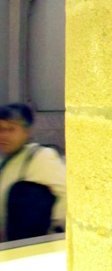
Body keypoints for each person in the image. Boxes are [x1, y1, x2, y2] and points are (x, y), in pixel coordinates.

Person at [0, 103, 66, 242]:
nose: (4, 136)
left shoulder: (41, 157)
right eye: (0, 129)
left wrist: (53, 236)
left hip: (33, 249)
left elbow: (67, 194)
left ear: (27, 132)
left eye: (11, 129)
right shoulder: (4, 160)